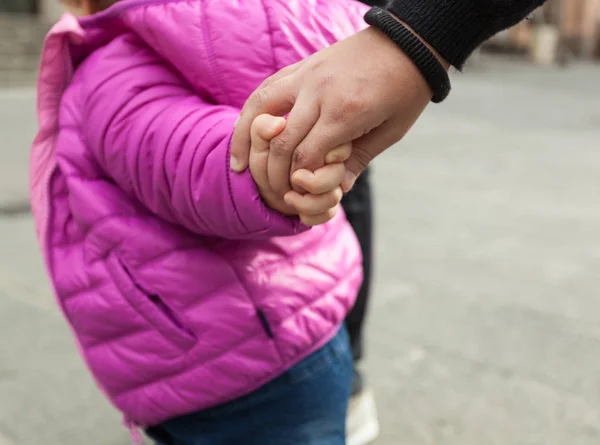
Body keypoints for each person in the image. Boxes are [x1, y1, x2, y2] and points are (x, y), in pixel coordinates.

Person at [29, 0, 375, 444]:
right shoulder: (233, 39)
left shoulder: (113, 67)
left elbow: (185, 153)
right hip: (294, 319)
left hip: (224, 364)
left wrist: (264, 167)